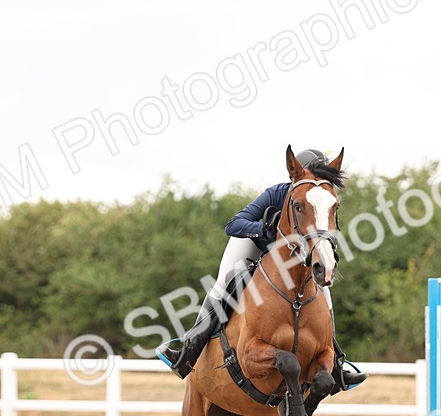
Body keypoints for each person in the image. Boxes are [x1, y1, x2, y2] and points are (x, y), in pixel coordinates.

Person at [155, 149, 367, 392]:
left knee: (324, 294)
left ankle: (336, 363)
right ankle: (189, 349)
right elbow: (233, 224)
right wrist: (265, 228)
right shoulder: (276, 194)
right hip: (255, 245)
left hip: (294, 256)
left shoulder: (321, 198)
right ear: (295, 177)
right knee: (225, 285)